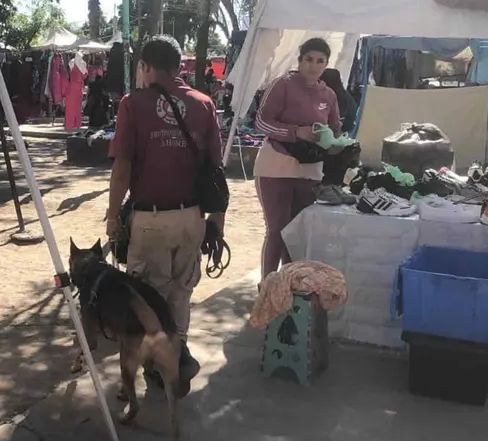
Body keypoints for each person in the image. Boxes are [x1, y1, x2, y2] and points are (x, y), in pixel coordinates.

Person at [107, 35, 224, 393]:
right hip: (191, 219)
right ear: (179, 67)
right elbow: (215, 172)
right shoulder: (203, 104)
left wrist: (113, 216)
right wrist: (215, 227)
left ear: (145, 67)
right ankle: (176, 354)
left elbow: (123, 168)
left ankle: (154, 366)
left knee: (146, 300)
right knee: (179, 294)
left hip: (151, 219)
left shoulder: (133, 104)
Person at [253, 37, 342, 277]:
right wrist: (295, 132)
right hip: (275, 165)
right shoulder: (282, 84)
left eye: (320, 61)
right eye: (309, 59)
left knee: (298, 231)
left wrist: (335, 143)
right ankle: (268, 287)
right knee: (277, 230)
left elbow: (335, 130)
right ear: (300, 60)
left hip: (310, 171)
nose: (313, 65)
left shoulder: (329, 95)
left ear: (326, 65)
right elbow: (261, 121)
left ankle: (292, 286)